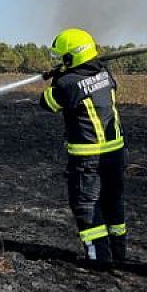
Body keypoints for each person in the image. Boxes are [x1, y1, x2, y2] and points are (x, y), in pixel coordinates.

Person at [39, 28, 127, 265]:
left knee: (86, 204)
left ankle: (98, 257)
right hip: (115, 153)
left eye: (62, 58)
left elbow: (47, 103)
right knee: (112, 203)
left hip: (88, 157)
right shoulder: (105, 73)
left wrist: (58, 77)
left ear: (71, 58)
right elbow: (88, 81)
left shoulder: (68, 84)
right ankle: (119, 254)